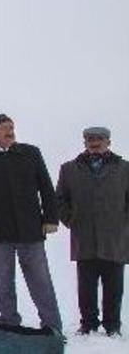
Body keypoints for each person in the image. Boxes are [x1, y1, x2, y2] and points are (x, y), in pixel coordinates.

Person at [0, 114, 62, 333]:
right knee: (3, 284)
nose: (10, 131)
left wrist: (50, 218)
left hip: (30, 229)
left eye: (11, 127)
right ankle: (9, 327)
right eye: (4, 128)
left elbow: (46, 187)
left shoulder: (30, 153)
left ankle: (52, 328)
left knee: (41, 282)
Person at [56, 126, 128, 336]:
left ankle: (112, 326)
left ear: (108, 142)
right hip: (84, 236)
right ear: (85, 142)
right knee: (86, 285)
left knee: (114, 286)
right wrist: (71, 220)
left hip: (115, 238)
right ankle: (88, 323)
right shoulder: (70, 169)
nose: (94, 143)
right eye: (90, 139)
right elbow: (60, 199)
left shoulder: (124, 168)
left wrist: (123, 224)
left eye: (99, 139)